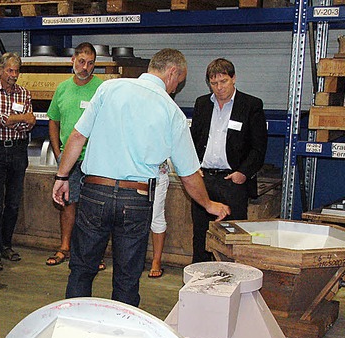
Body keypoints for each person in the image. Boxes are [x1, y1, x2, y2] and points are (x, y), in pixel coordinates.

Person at [52, 48, 230, 307]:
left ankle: (72, 329)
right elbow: (189, 173)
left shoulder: (109, 89)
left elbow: (77, 137)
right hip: (135, 199)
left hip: (95, 193)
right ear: (171, 73)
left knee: (81, 268)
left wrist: (62, 176)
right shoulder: (173, 113)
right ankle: (123, 336)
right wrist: (208, 204)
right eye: (177, 83)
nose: (175, 89)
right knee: (127, 277)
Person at [190, 58, 268, 263]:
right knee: (201, 234)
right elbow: (193, 139)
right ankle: (199, 279)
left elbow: (259, 147)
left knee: (232, 237)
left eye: (223, 81)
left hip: (232, 181)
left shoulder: (251, 105)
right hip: (204, 179)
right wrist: (193, 166)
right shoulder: (201, 104)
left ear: (233, 78)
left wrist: (243, 173)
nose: (219, 87)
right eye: (214, 83)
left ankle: (230, 280)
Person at [45, 42, 105, 271]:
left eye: (90, 63)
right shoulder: (62, 89)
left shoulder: (102, 89)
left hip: (94, 161)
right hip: (68, 161)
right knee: (67, 203)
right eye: (81, 62)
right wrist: (59, 152)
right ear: (73, 60)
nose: (85, 67)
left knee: (92, 209)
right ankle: (65, 247)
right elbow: (53, 120)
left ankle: (93, 253)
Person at [0, 52, 36, 271]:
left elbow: (29, 124)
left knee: (13, 204)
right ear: (0, 71)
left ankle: (6, 245)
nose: (14, 75)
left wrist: (16, 120)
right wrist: (20, 118)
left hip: (18, 151)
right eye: (10, 71)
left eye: (16, 71)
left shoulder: (24, 93)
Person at [148, 159, 170, 278]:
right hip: (132, 174)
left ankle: (156, 261)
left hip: (158, 174)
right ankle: (135, 258)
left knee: (156, 216)